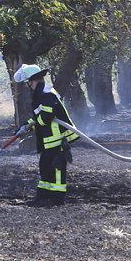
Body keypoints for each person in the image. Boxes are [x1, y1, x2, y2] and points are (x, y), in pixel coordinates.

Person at [13, 64, 79, 206]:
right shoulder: (41, 92)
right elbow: (39, 116)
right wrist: (26, 126)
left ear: (32, 80)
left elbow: (46, 117)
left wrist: (33, 125)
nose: (28, 85)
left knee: (56, 168)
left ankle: (57, 199)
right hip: (49, 139)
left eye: (27, 82)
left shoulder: (46, 93)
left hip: (56, 138)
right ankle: (44, 196)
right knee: (45, 166)